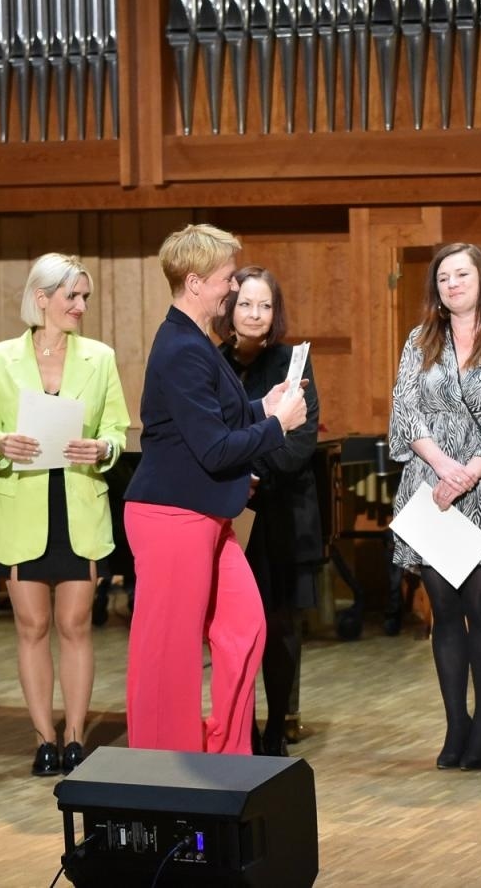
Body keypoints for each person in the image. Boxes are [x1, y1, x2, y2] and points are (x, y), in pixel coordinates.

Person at [123, 224, 307, 755]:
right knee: (169, 655)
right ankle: (165, 767)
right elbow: (213, 449)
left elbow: (218, 420)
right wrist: (276, 427)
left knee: (245, 626)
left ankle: (224, 755)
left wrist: (263, 407)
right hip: (171, 518)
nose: (232, 288)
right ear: (196, 281)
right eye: (227, 278)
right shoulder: (182, 348)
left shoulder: (195, 343)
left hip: (203, 515)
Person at [0, 254, 130, 776]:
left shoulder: (100, 358)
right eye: (72, 297)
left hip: (80, 505)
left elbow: (119, 431)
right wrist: (1, 443)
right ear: (42, 299)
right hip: (21, 508)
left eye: (84, 297)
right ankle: (44, 740)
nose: (81, 306)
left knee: (74, 623)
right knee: (32, 625)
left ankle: (77, 737)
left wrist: (102, 449)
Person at [390, 243, 481, 772]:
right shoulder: (419, 341)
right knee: (444, 614)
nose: (452, 283)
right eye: (444, 277)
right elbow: (405, 409)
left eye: (462, 274)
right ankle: (456, 723)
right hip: (431, 493)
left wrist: (468, 472)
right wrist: (442, 467)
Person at [216, 267, 323, 757]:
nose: (255, 314)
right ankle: (239, 728)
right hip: (228, 515)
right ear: (229, 310)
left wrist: (252, 474)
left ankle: (277, 727)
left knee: (280, 627)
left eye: (264, 306)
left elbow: (299, 439)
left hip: (281, 512)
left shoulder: (292, 361)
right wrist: (239, 477)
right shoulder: (212, 361)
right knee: (233, 626)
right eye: (245, 305)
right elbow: (212, 436)